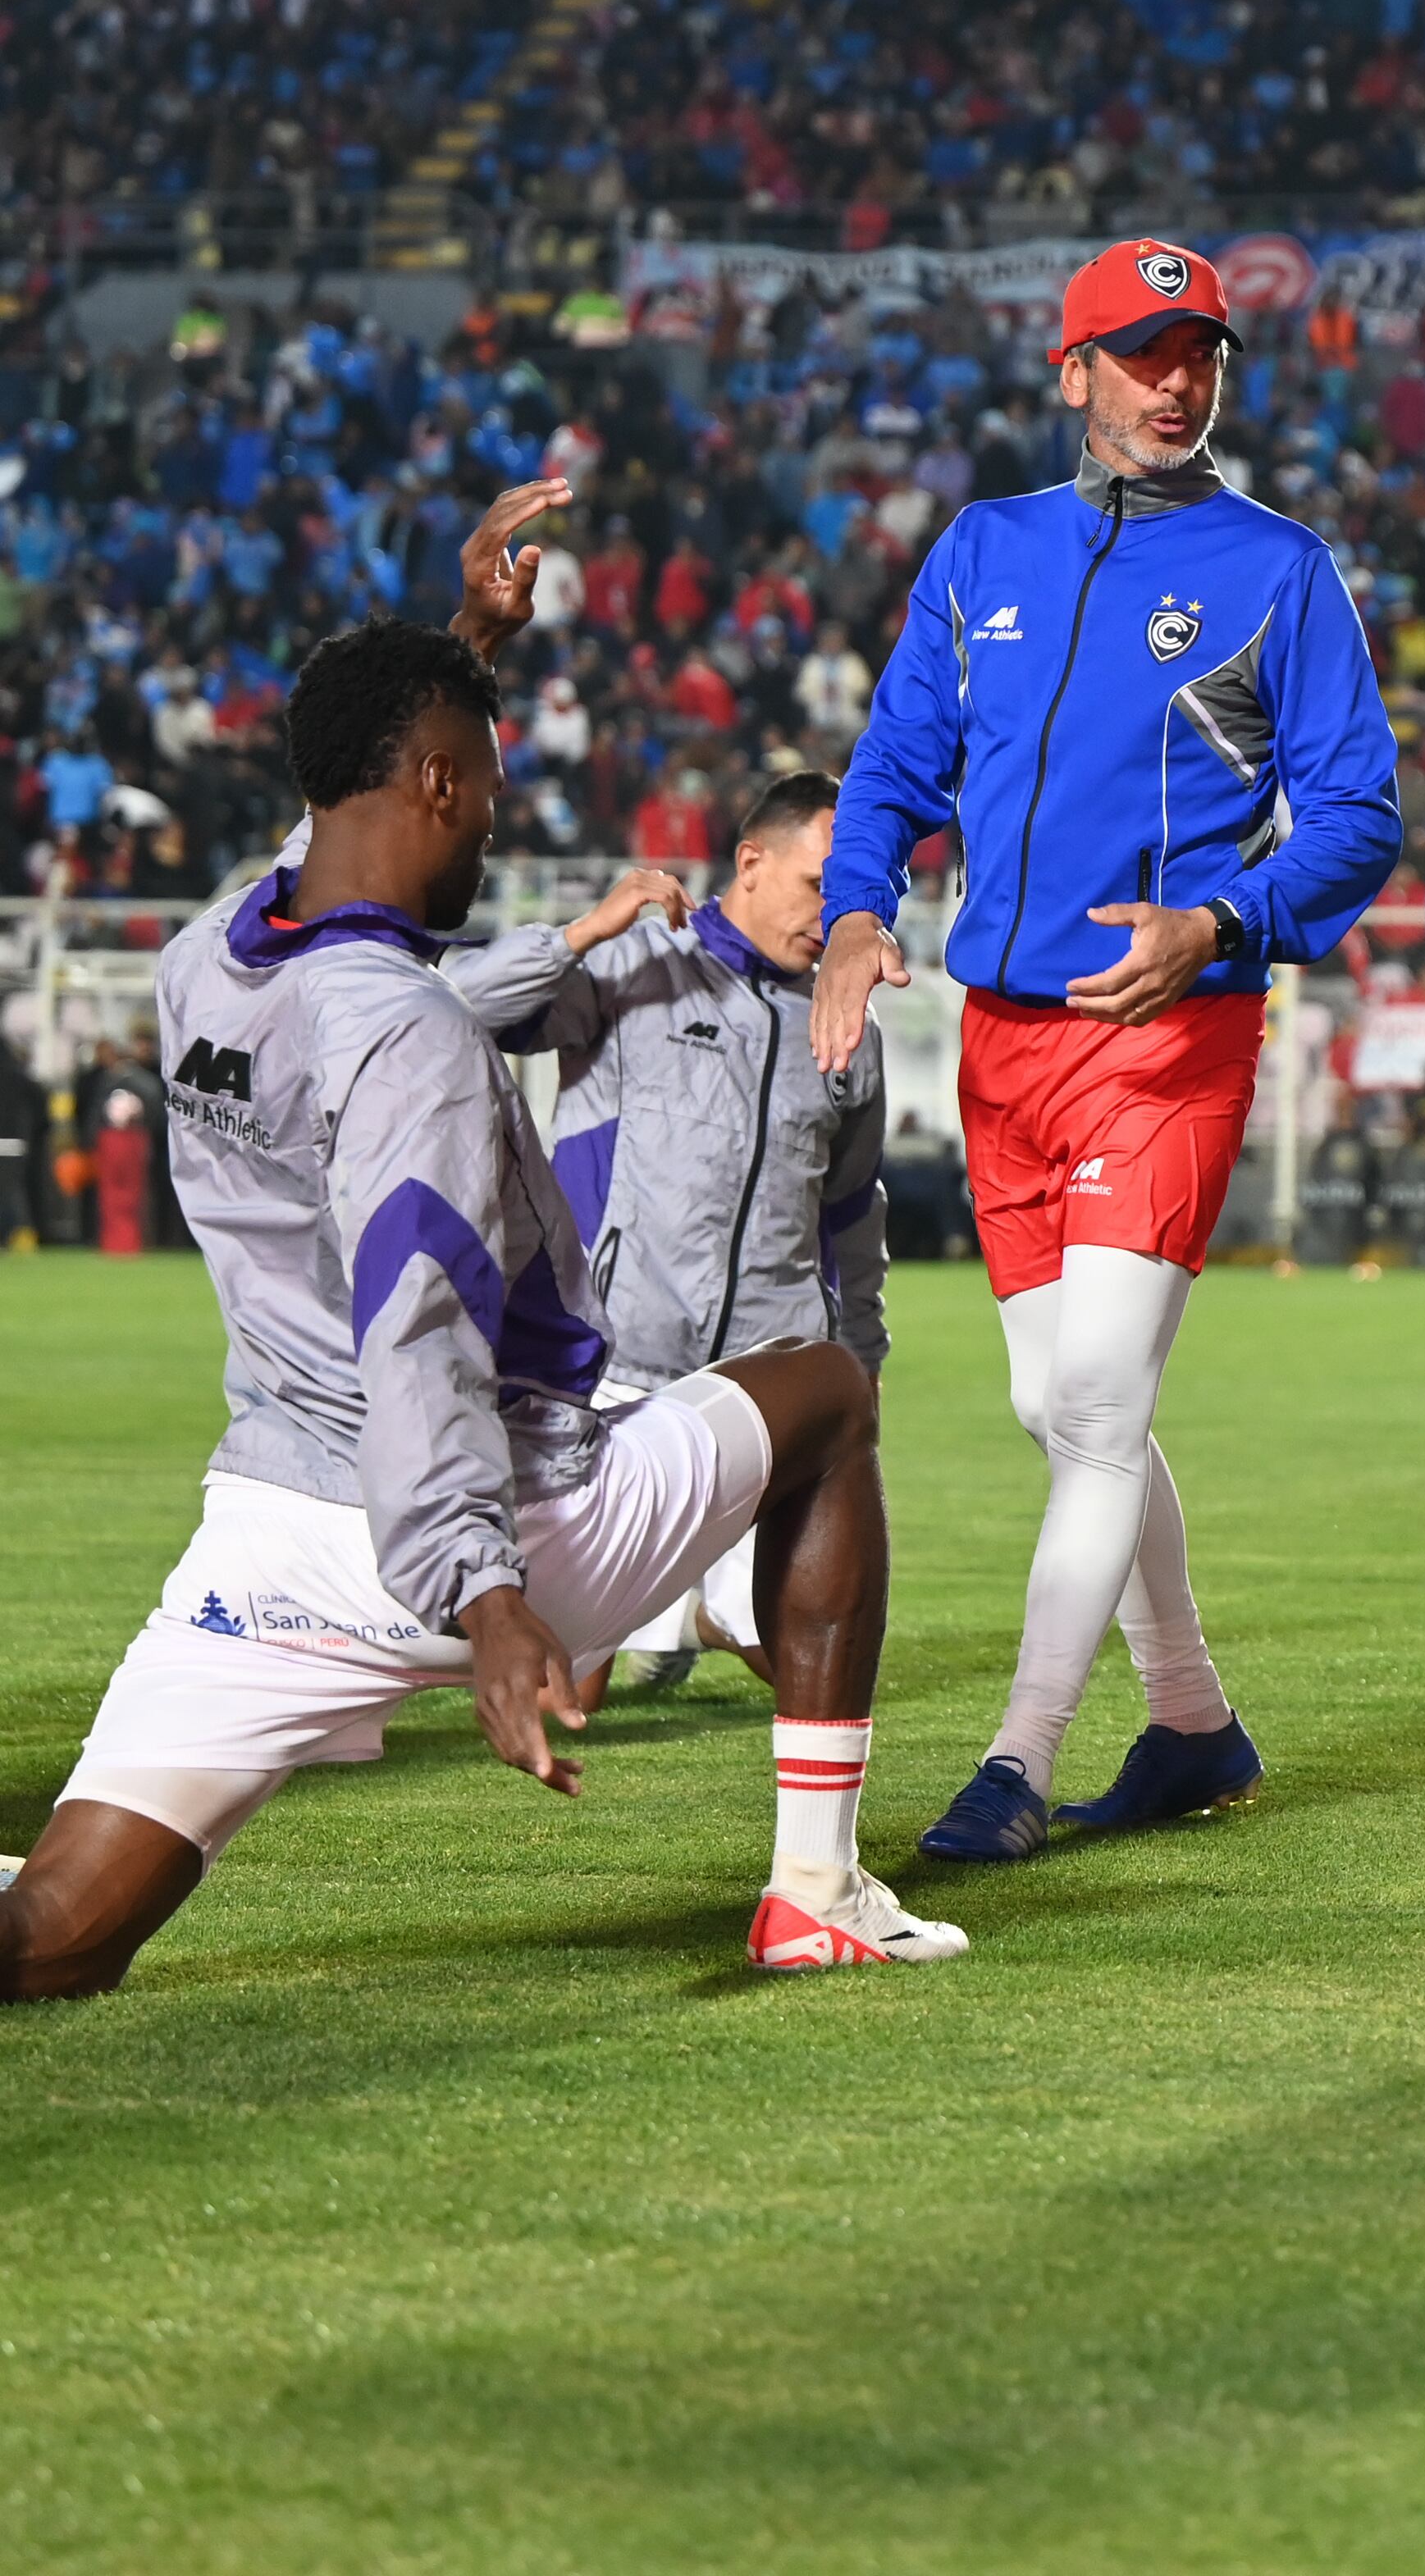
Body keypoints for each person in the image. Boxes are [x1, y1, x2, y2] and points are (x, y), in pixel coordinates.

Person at [0, 542, 962, 1996]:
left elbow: (334, 818)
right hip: (489, 1530)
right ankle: (815, 1887)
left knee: (51, 1937)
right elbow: (418, 1317)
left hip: (265, 1531)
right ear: (441, 782)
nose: (495, 825)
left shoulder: (212, 953)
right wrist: (485, 1595)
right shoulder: (417, 1037)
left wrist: (462, 651)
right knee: (827, 1391)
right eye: (489, 790)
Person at [812, 236, 1403, 1861]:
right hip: (1002, 1046)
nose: (1177, 380)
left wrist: (1218, 924)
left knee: (1088, 1408)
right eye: (1142, 353)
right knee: (1057, 1404)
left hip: (1170, 1033)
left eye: (1199, 351)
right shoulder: (981, 550)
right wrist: (861, 907)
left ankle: (1014, 1758)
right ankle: (1194, 1722)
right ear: (1071, 372)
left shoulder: (1280, 569)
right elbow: (890, 767)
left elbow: (1359, 814)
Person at [450, 768, 887, 1704]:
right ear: (751, 862)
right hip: (615, 1360)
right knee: (569, 1689)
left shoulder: (849, 1023)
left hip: (765, 1368)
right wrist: (581, 933)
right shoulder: (635, 967)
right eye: (819, 885)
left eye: (851, 895)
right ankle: (675, 1615)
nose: (831, 914)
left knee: (803, 1654)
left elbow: (851, 1210)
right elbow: (455, 1012)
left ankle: (710, 1615)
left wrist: (862, 1356)